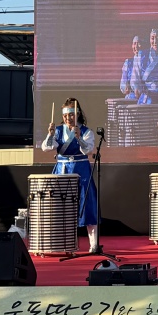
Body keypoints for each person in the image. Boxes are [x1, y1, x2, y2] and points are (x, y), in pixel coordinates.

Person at [41, 98, 99, 253]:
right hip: (62, 169)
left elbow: (88, 150)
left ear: (77, 114)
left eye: (71, 114)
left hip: (81, 170)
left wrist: (78, 138)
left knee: (87, 202)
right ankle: (61, 242)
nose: (68, 118)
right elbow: (46, 148)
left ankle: (93, 244)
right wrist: (50, 134)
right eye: (65, 115)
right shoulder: (58, 131)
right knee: (59, 206)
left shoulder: (86, 132)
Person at [120, 35, 142, 99]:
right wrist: (125, 87)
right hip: (131, 97)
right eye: (134, 44)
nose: (136, 46)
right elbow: (123, 82)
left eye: (139, 44)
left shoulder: (147, 62)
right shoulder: (128, 63)